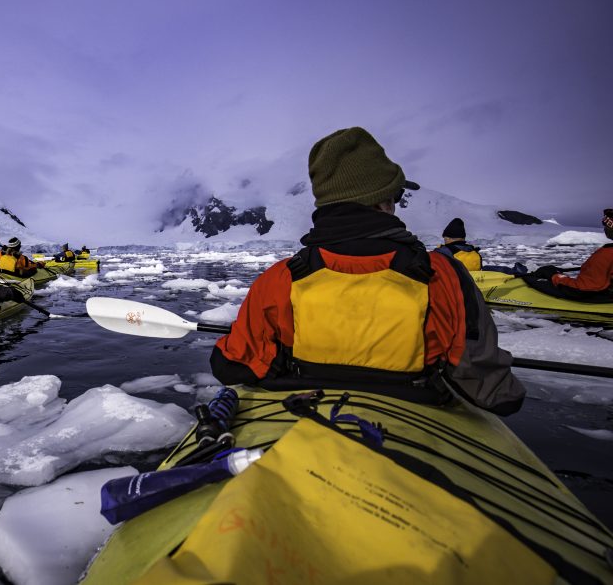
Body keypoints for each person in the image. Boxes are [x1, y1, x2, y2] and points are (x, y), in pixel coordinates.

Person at [210, 127, 525, 416]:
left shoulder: (282, 279)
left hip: (307, 421)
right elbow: (495, 393)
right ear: (383, 202)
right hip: (417, 424)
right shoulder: (444, 276)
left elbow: (233, 365)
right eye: (393, 197)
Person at [530, 208, 613, 295]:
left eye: (606, 225)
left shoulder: (607, 254)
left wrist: (553, 276)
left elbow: (583, 288)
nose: (604, 229)